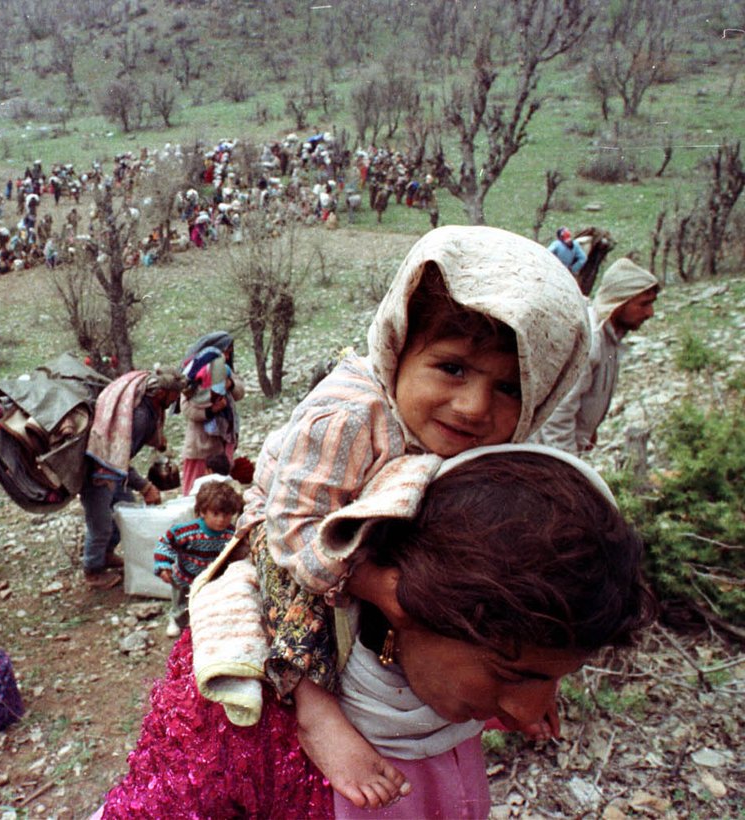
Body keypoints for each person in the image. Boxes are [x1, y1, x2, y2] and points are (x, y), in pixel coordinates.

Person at [226, 225, 592, 808]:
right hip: (294, 534)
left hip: (371, 530)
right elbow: (291, 531)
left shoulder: (470, 436)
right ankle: (315, 711)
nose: (474, 406)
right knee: (289, 596)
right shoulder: (348, 416)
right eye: (452, 369)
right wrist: (374, 583)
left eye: (508, 388)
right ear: (399, 346)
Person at [98, 446, 654, 818]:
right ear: (408, 600)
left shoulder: (435, 675)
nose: (529, 713)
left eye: (554, 679)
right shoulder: (238, 705)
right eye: (513, 675)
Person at [537, 257, 660, 455]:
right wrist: (566, 469)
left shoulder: (610, 338)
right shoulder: (591, 340)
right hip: (548, 453)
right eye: (644, 304)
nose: (650, 312)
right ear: (620, 301)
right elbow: (559, 415)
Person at [80, 366, 188, 589]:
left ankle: (106, 554)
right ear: (162, 393)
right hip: (98, 470)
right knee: (100, 524)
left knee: (126, 510)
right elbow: (117, 454)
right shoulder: (140, 415)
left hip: (115, 470)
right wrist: (145, 486)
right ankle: (92, 571)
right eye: (175, 394)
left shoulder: (150, 408)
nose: (177, 398)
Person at [155, 480, 244, 638]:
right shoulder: (188, 531)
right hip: (185, 576)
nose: (221, 520)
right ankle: (176, 620)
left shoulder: (231, 534)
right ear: (202, 512)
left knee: (207, 605)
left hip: (211, 578)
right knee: (182, 604)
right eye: (215, 514)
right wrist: (163, 565)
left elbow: (238, 552)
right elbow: (166, 542)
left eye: (227, 515)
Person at [179, 332, 244, 495]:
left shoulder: (225, 371)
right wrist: (211, 410)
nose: (227, 355)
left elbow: (240, 392)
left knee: (221, 494)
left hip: (222, 444)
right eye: (225, 351)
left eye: (229, 352)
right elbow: (187, 408)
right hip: (201, 446)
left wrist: (230, 385)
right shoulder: (195, 376)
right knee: (196, 494)